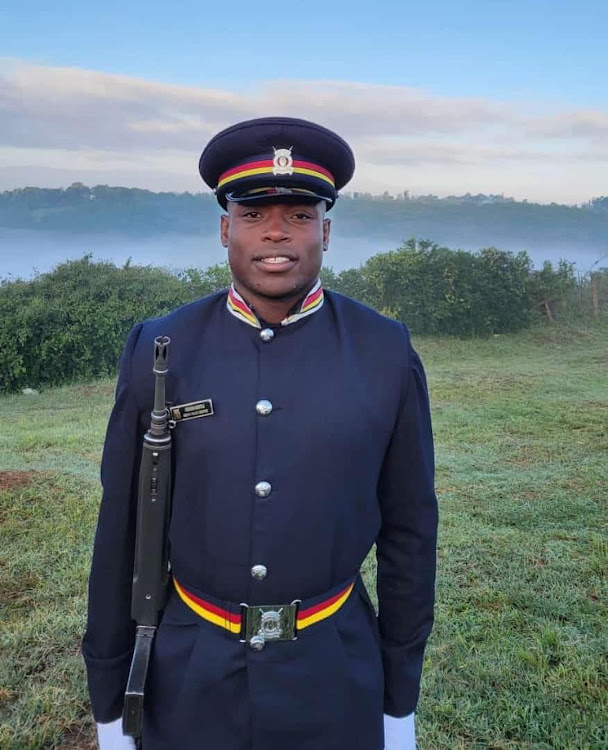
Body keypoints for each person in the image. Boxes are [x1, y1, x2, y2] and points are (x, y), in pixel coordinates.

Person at [83, 116, 438, 750]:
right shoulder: (160, 347)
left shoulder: (385, 351)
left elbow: (410, 533)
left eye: (300, 214)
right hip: (189, 671)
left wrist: (398, 701)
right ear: (226, 229)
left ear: (325, 231)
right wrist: (109, 705)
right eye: (254, 213)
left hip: (334, 668)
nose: (276, 230)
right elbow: (121, 533)